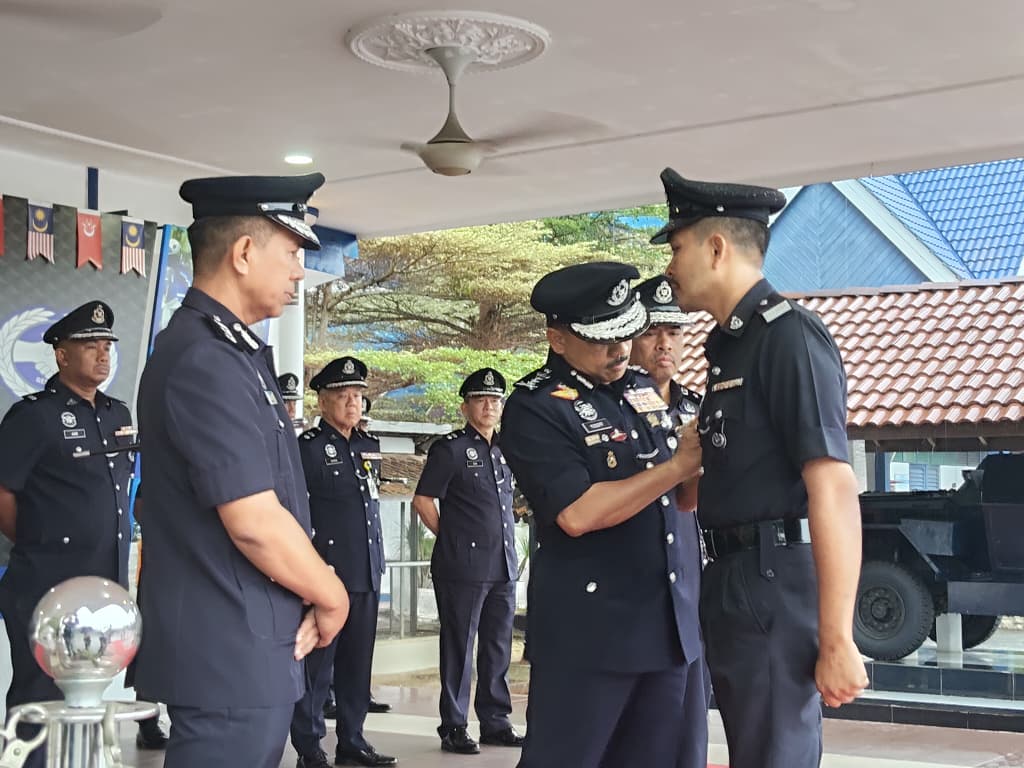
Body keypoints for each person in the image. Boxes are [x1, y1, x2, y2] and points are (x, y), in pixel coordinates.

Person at [133, 173, 350, 768]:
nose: (300, 271)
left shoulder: (235, 352)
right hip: (224, 644)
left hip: (248, 636)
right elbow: (253, 518)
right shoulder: (205, 358)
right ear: (245, 252)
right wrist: (332, 594)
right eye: (292, 252)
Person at [655, 168, 868, 768]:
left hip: (774, 581)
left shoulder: (788, 338)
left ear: (716, 247)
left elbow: (832, 485)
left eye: (677, 247)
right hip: (732, 576)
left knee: (776, 754)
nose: (670, 266)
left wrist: (837, 637)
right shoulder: (728, 345)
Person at [499, 262, 706, 768]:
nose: (619, 351)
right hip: (590, 636)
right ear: (558, 338)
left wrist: (701, 461)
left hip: (666, 627)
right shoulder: (536, 406)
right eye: (602, 340)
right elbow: (576, 513)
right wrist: (677, 464)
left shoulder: (639, 391)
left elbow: (681, 501)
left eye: (624, 335)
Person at [0, 301, 135, 768]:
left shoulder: (120, 413)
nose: (103, 354)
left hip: (103, 591)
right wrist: (40, 544)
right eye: (90, 346)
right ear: (61, 355)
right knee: (40, 698)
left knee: (91, 704)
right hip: (45, 585)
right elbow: (4, 493)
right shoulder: (33, 416)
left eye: (107, 346)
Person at [289, 357, 396, 768]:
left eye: (358, 395)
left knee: (357, 665)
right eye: (343, 396)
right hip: (328, 575)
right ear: (322, 400)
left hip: (366, 570)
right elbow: (297, 512)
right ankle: (309, 746)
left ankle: (353, 738)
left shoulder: (368, 445)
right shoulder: (309, 449)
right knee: (318, 667)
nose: (353, 403)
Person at [413, 368, 524, 755]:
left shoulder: (506, 448)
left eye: (496, 400)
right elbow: (422, 500)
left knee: (497, 646)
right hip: (463, 567)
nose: (490, 405)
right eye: (482, 399)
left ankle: (495, 720)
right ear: (466, 406)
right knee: (459, 647)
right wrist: (451, 538)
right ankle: (454, 726)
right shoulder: (451, 448)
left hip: (503, 565)